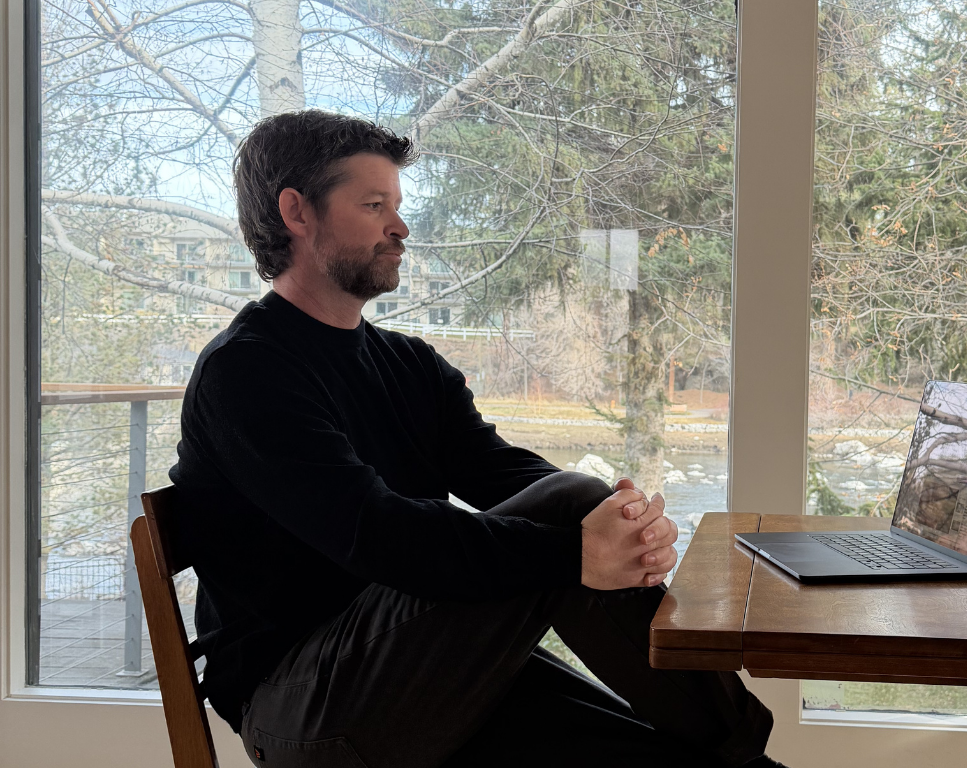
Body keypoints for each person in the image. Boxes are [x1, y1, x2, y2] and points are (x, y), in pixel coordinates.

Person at [169, 110, 780, 768]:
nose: (400, 227)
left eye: (398, 205)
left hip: (421, 666)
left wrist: (620, 525)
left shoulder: (409, 366)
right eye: (374, 204)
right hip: (306, 711)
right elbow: (381, 536)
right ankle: (746, 746)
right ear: (297, 212)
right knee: (573, 508)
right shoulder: (248, 372)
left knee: (671, 746)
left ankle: (747, 755)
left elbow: (509, 477)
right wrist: (578, 549)